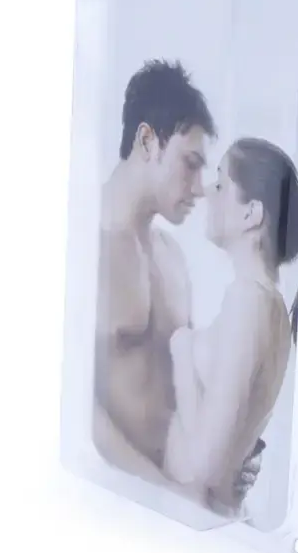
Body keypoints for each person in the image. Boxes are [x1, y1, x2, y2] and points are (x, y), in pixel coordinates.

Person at [94, 60, 262, 507]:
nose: (202, 188)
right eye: (190, 164)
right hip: (112, 502)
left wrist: (230, 456)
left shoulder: (171, 258)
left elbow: (186, 389)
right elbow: (77, 409)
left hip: (173, 502)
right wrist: (165, 491)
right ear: (147, 140)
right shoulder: (81, 248)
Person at [164, 137, 298, 513]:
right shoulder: (269, 307)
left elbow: (204, 467)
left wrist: (182, 354)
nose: (207, 191)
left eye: (221, 183)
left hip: (190, 518)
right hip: (203, 517)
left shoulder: (249, 303)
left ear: (251, 213)